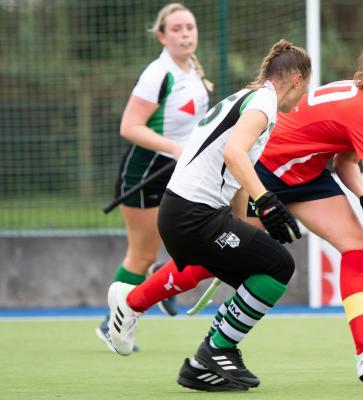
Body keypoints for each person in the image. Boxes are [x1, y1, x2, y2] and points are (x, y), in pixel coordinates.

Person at [107, 33, 363, 384]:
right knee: (218, 258)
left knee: (356, 246)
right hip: (266, 169)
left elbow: (344, 162)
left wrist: (361, 194)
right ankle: (134, 301)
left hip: (307, 172)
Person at [106, 39, 311, 392]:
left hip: (185, 211)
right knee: (279, 266)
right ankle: (215, 350)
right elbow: (235, 154)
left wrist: (244, 228)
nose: (302, 98)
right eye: (304, 89)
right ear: (295, 79)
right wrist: (268, 202)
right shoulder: (263, 103)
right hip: (191, 215)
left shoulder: (247, 97)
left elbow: (236, 175)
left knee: (227, 262)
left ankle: (135, 303)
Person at [96, 3, 212, 352]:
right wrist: (176, 149)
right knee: (141, 255)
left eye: (189, 27)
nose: (185, 34)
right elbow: (129, 127)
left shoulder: (194, 70)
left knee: (194, 240)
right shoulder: (157, 74)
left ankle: (162, 276)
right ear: (162, 36)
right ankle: (109, 324)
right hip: (144, 174)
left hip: (181, 173)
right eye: (176, 29)